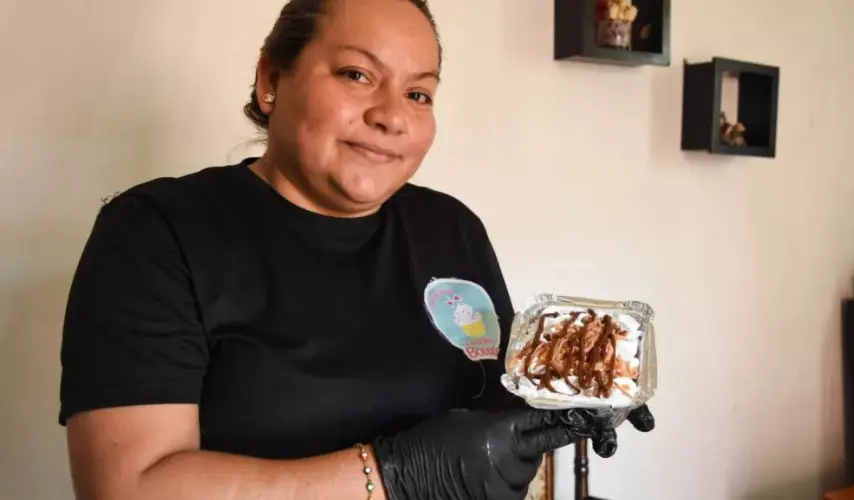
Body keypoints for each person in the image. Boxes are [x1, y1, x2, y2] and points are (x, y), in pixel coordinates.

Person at [58, 0, 655, 499]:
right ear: (271, 81)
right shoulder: (157, 232)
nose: (392, 116)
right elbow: (128, 487)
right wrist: (390, 476)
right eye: (357, 75)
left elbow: (489, 416)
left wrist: (571, 392)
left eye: (419, 94)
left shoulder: (451, 229)